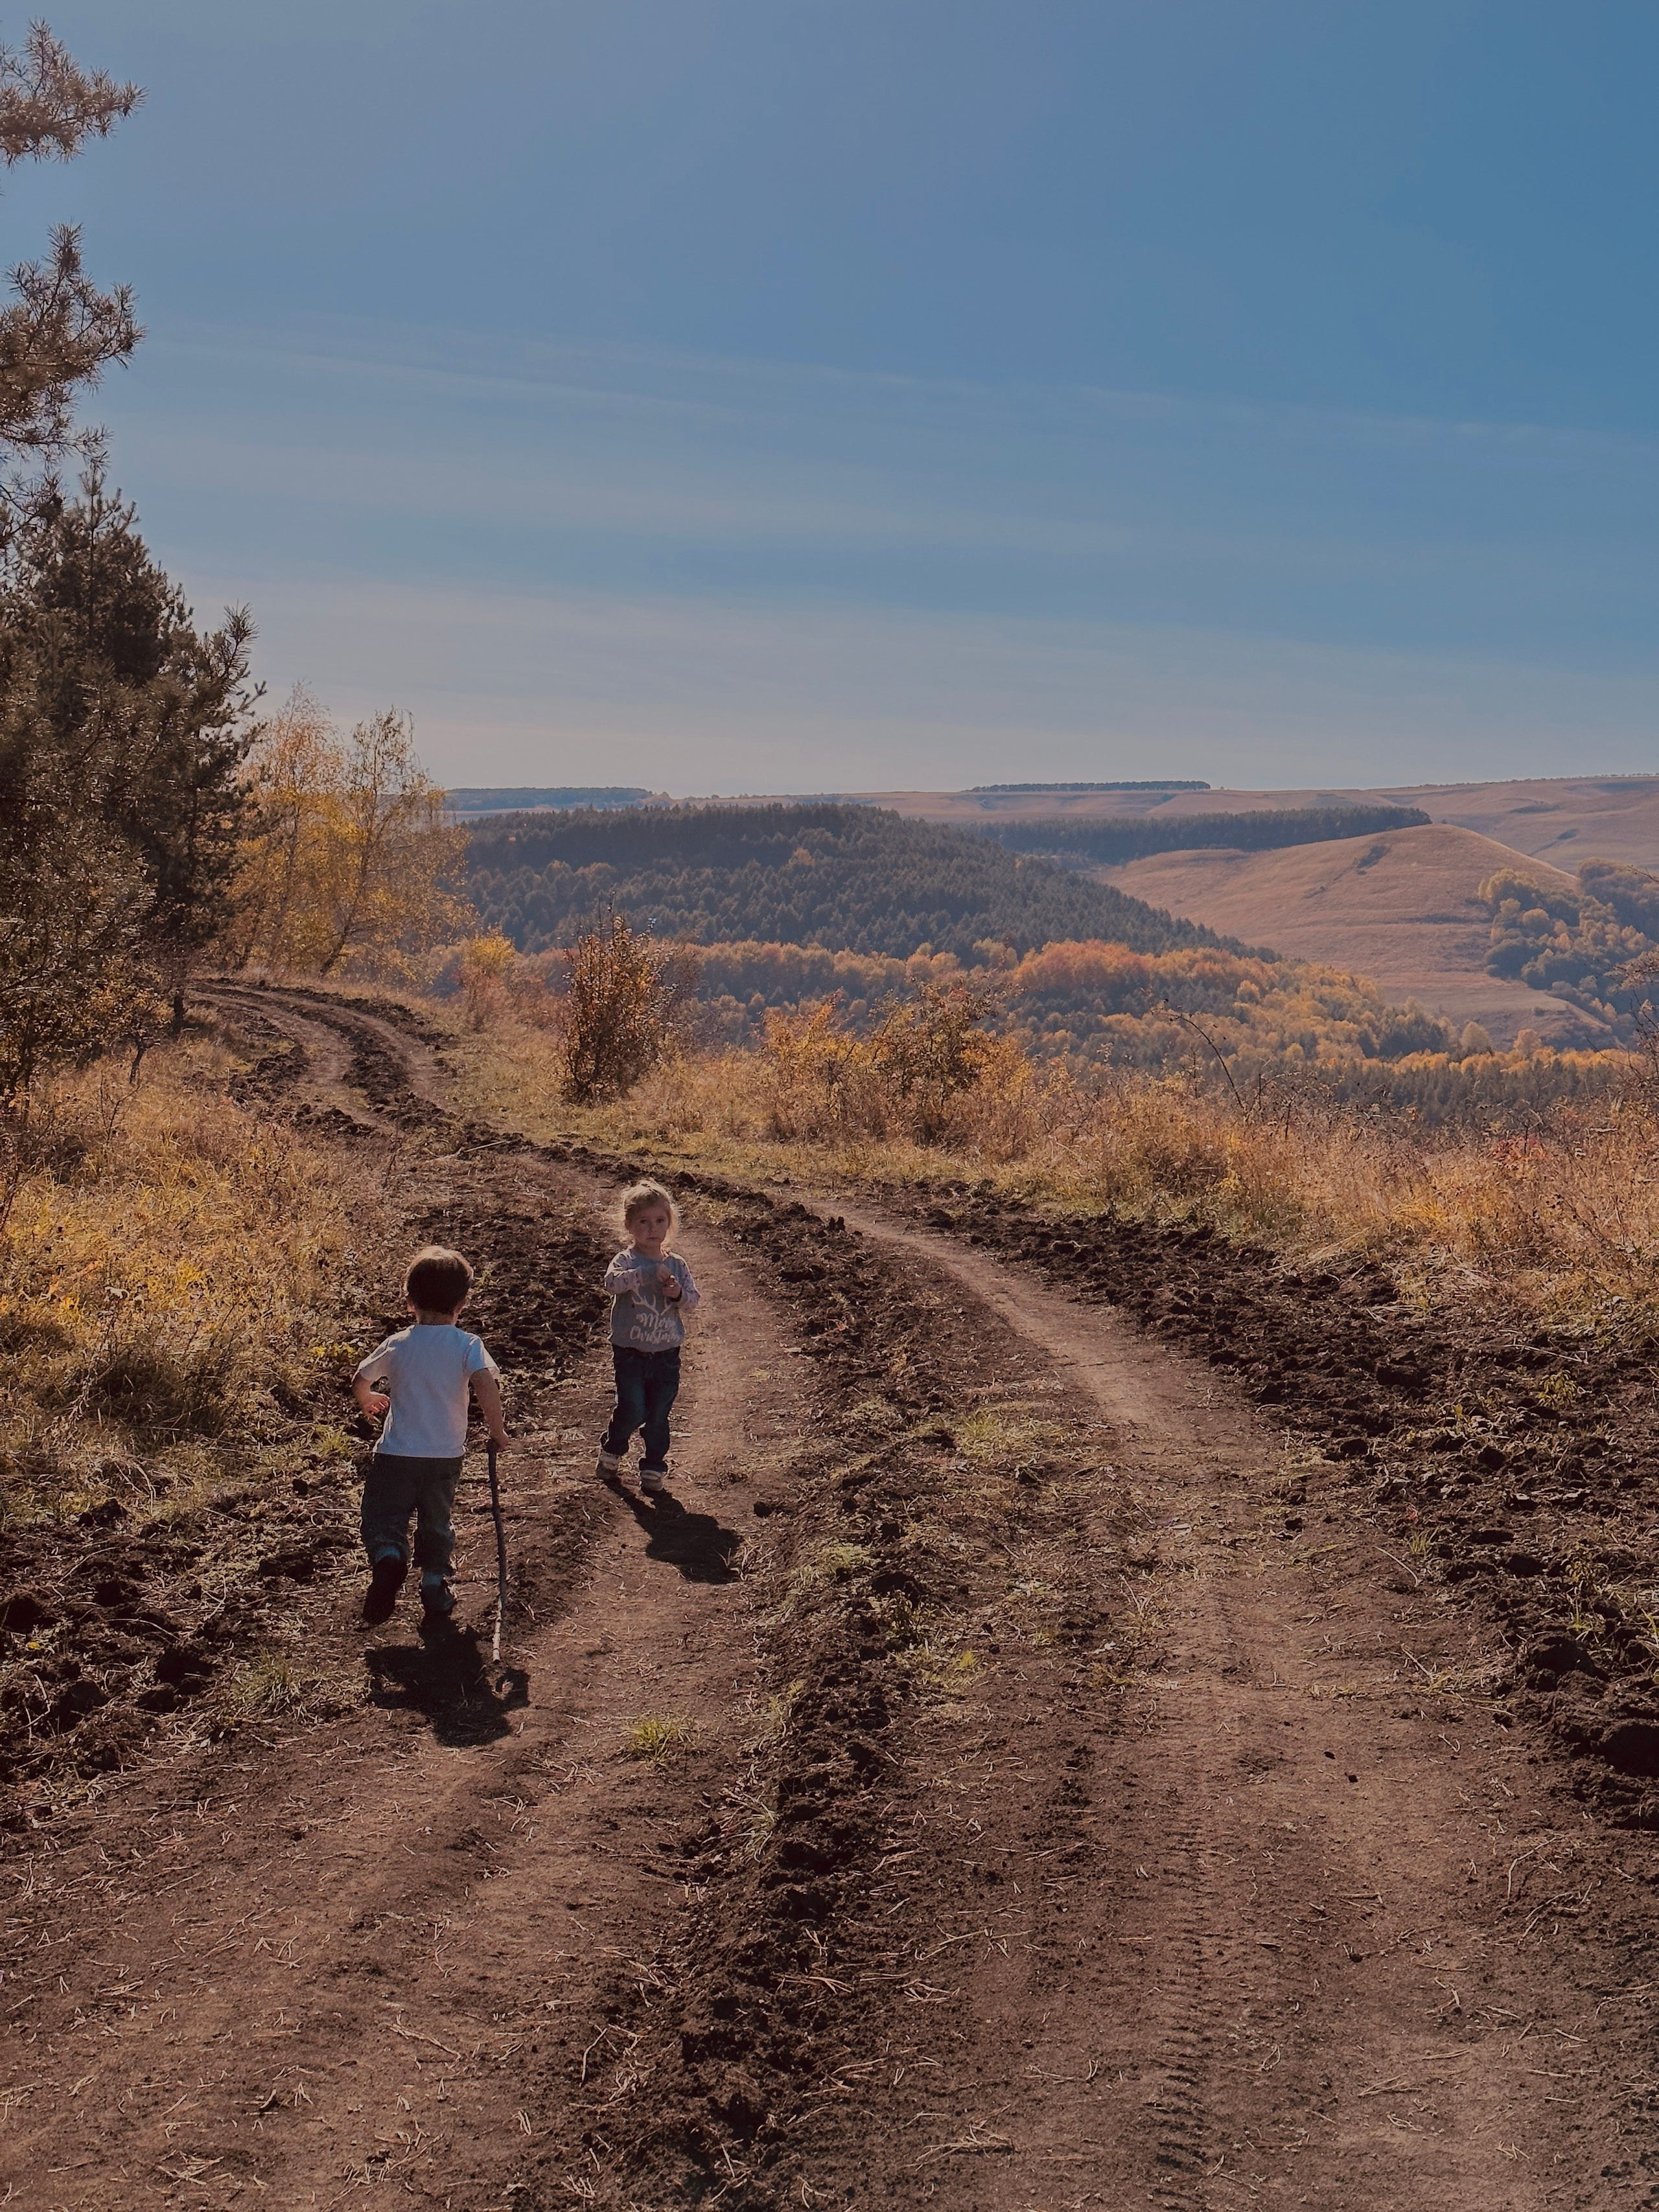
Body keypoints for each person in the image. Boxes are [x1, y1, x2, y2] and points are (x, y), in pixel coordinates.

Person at [351, 1245, 507, 1625]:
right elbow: (486, 1385)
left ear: (409, 1302)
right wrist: (497, 1430)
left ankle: (389, 1556)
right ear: (463, 1304)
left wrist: (367, 1399)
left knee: (383, 1514)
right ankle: (434, 1585)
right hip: (444, 1456)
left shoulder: (399, 1343)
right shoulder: (468, 1345)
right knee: (436, 1521)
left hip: (395, 1454)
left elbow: (361, 1378)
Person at [598, 1180, 699, 1495]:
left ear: (669, 1223)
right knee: (634, 1408)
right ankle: (614, 1446)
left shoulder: (676, 1264)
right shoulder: (626, 1261)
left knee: (658, 1414)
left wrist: (677, 1293)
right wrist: (643, 1275)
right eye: (643, 1221)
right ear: (629, 1225)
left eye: (659, 1221)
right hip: (630, 1351)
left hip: (666, 1353)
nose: (652, 1229)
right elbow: (611, 1283)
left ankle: (654, 1465)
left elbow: (693, 1301)